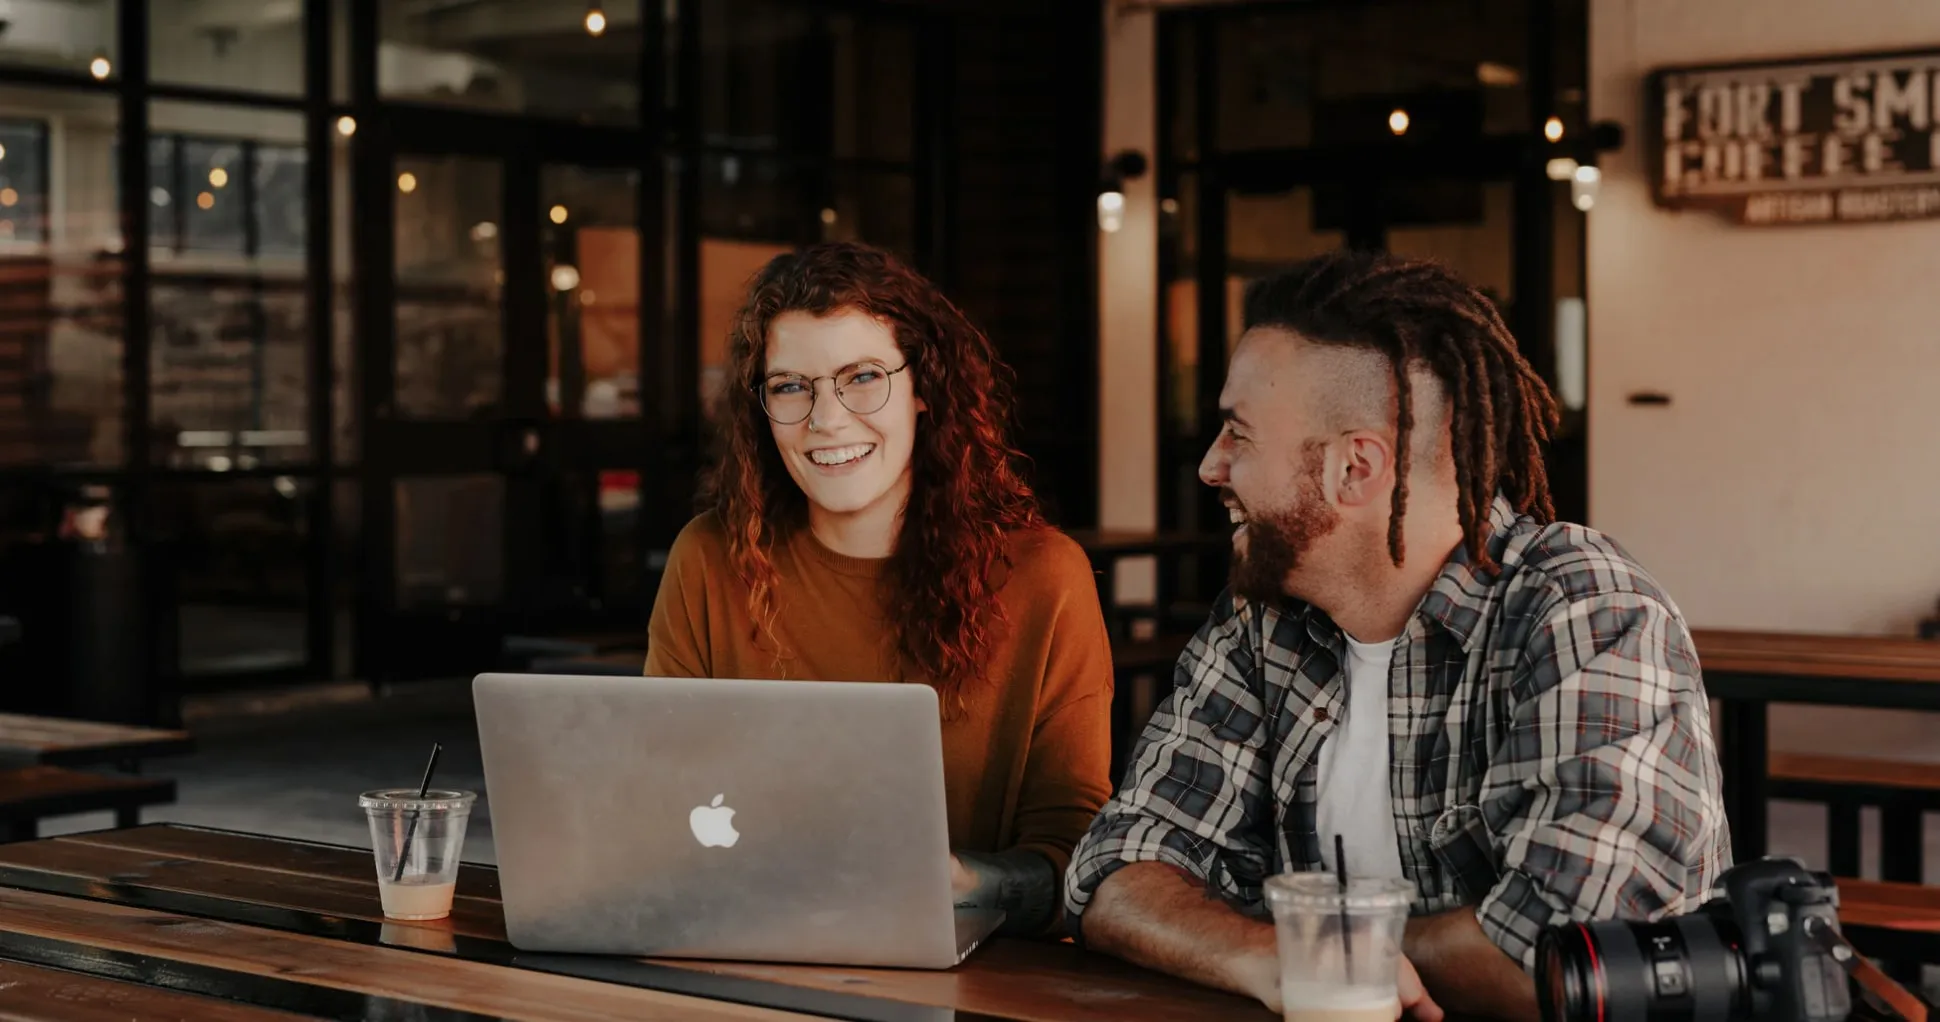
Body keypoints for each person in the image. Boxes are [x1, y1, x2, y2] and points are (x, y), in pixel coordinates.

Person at [1062, 250, 1730, 1020]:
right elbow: (1116, 871)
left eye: (1238, 434)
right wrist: (1261, 955)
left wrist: (1316, 955)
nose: (1211, 466)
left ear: (1356, 469)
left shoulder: (1587, 610)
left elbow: (1566, 952)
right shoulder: (1263, 619)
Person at [646, 241, 1114, 937]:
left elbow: (1075, 854)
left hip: (970, 971)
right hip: (735, 941)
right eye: (790, 386)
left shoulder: (1044, 576)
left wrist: (960, 883)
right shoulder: (709, 558)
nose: (826, 419)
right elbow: (651, 800)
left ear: (924, 388)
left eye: (861, 377)